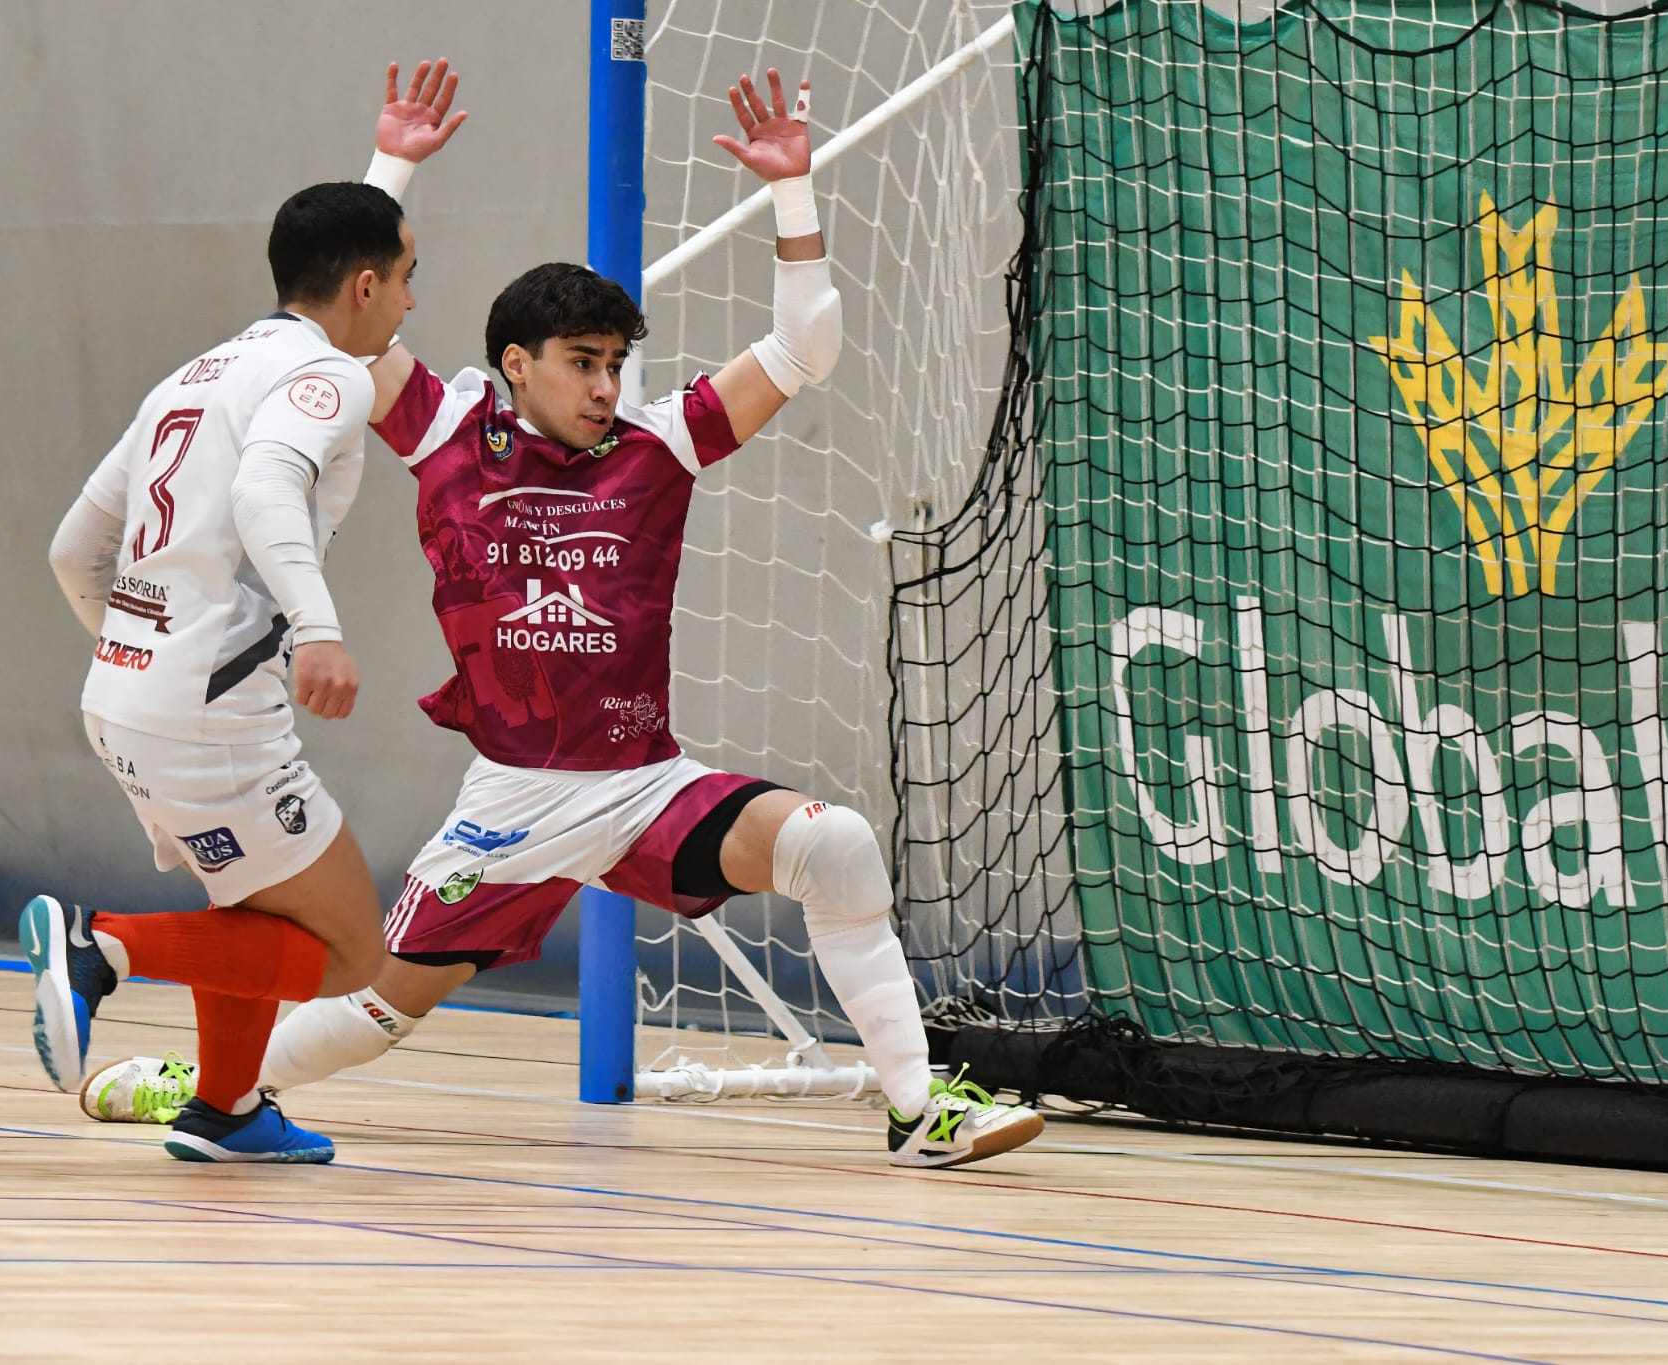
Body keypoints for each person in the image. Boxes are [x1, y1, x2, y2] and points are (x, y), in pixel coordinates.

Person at [86, 66, 1043, 1169]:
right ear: (514, 365)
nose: (604, 386)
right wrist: (391, 163)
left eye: (615, 364)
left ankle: (918, 1107)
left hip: (642, 786)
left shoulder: (660, 442)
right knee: (371, 1011)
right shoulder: (444, 429)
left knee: (833, 846)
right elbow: (336, 308)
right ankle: (205, 1087)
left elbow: (803, 349)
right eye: (581, 364)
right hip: (511, 809)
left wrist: (793, 197)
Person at [32, 60, 467, 1163]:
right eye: (408, 278)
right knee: (348, 956)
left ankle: (225, 1111)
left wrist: (141, 657)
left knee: (259, 910)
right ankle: (103, 947)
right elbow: (268, 486)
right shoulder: (324, 380)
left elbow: (72, 549)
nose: (416, 299)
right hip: (214, 715)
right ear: (366, 286)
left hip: (130, 697)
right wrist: (316, 628)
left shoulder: (192, 375)